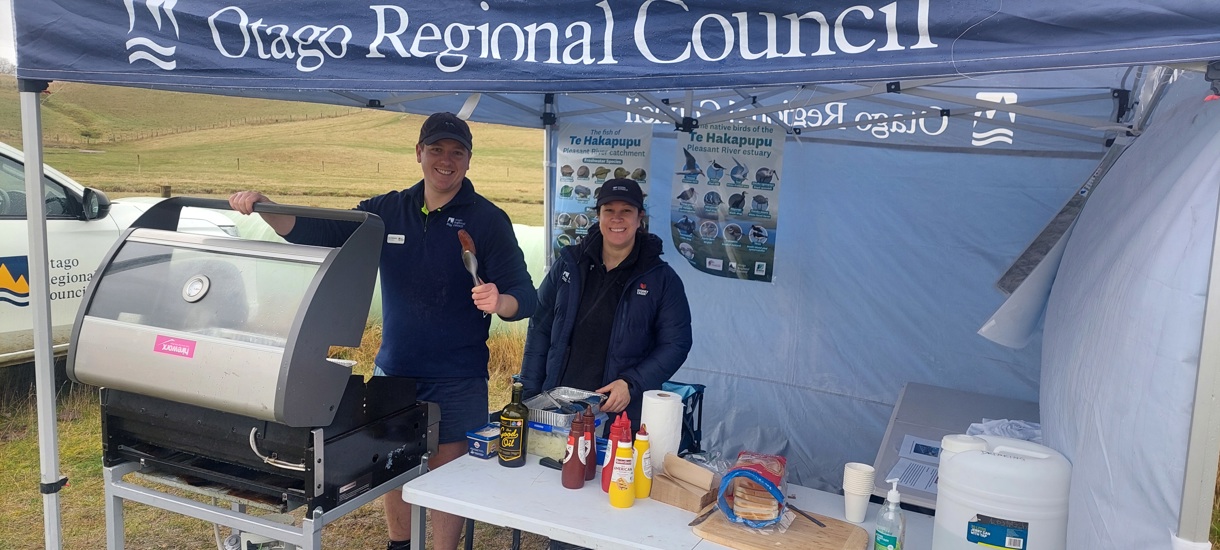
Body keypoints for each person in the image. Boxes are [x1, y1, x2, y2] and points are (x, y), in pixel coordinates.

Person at [228, 112, 536, 550]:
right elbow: (323, 230)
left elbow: (527, 295)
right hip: (396, 370)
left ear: (468, 161)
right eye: (436, 149)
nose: (445, 160)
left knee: (451, 476)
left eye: (456, 152)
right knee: (395, 465)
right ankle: (400, 544)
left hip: (459, 376)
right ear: (419, 154)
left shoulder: (488, 220)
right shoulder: (386, 211)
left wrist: (500, 300)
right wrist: (266, 206)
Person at [521, 178, 693, 436]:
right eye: (609, 210)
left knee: (606, 476)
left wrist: (631, 383)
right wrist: (530, 396)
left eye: (626, 211)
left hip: (617, 414)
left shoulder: (661, 278)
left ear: (639, 218)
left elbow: (676, 344)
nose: (617, 219)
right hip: (558, 407)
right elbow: (540, 328)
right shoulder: (569, 265)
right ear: (598, 215)